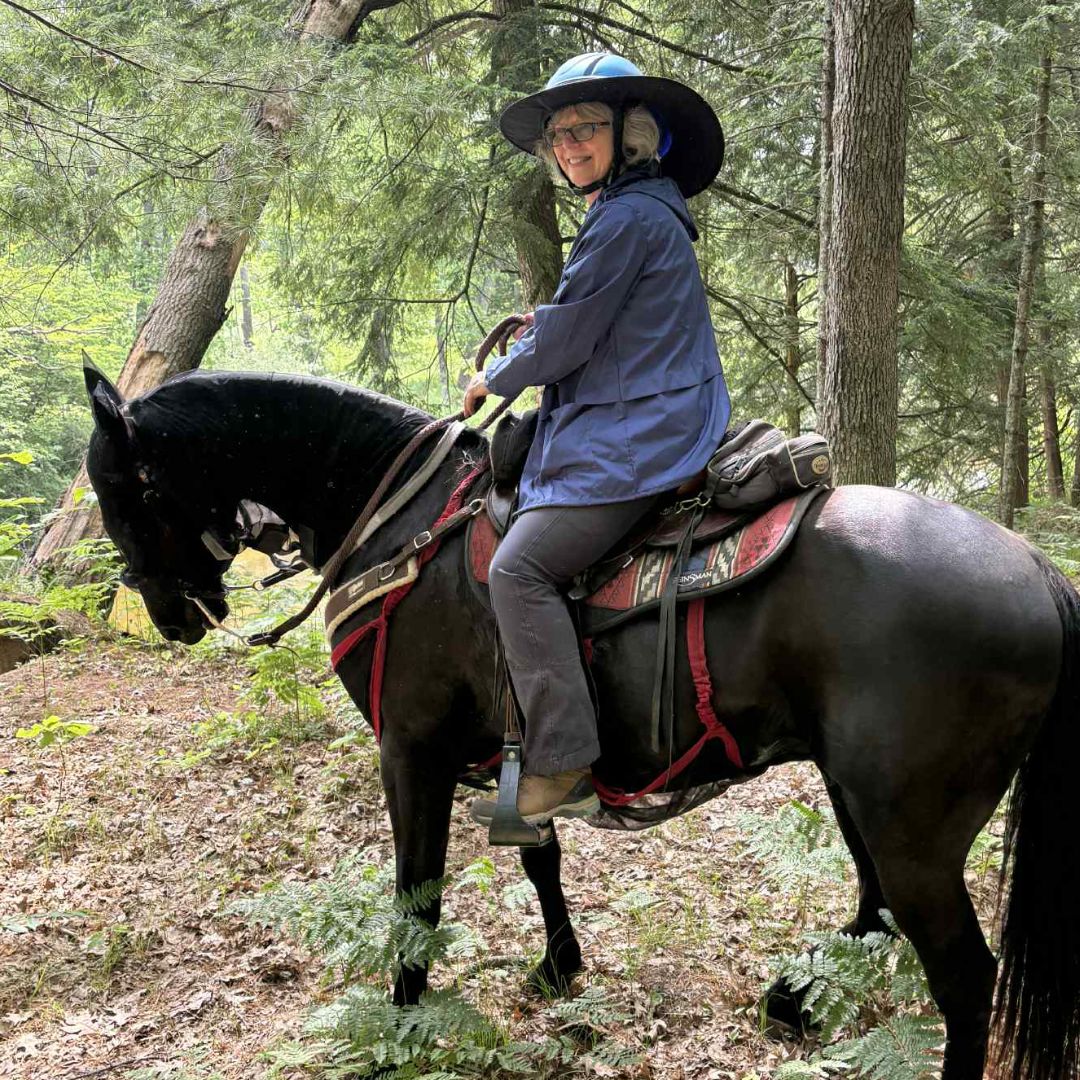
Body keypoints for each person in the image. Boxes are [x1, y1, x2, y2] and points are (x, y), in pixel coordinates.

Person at [463, 52, 731, 825]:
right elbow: (595, 317)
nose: (569, 145)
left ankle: (566, 764)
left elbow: (573, 334)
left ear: (631, 133)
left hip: (641, 433)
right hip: (642, 413)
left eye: (585, 128)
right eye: (558, 135)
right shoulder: (640, 211)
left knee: (518, 569)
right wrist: (541, 330)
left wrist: (497, 378)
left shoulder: (626, 217)